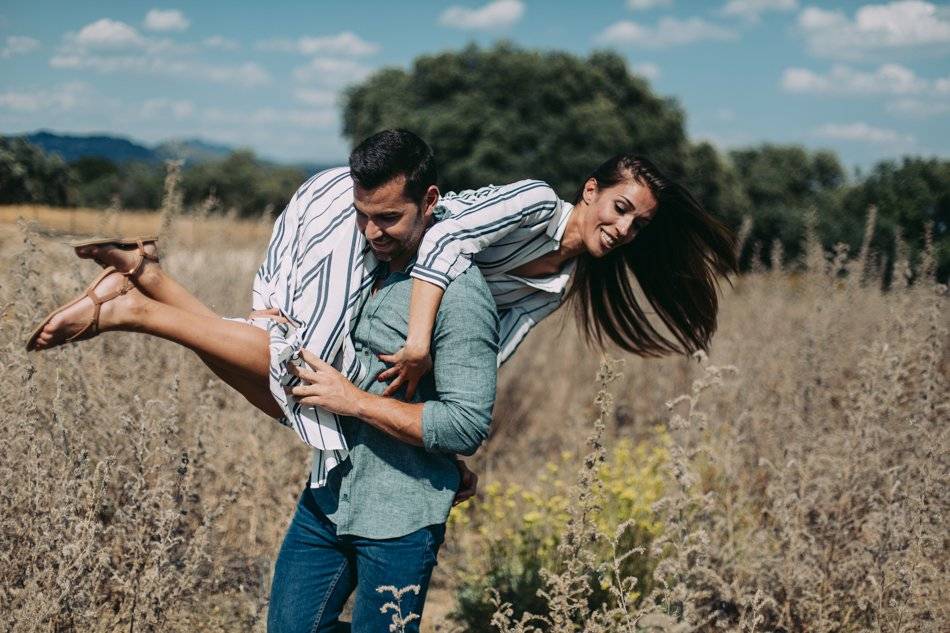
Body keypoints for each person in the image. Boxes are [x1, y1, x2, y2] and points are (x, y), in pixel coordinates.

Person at [26, 129, 737, 486]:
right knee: (295, 374)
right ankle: (135, 313)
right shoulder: (532, 204)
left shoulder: (562, 280)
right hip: (370, 226)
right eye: (619, 208)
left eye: (638, 224)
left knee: (299, 394)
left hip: (384, 264)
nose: (623, 227)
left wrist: (446, 425)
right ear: (590, 190)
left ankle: (148, 278)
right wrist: (421, 341)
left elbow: (486, 347)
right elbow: (448, 234)